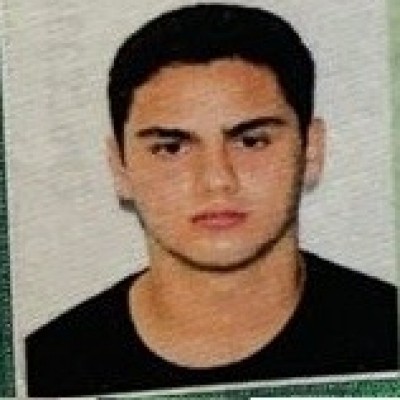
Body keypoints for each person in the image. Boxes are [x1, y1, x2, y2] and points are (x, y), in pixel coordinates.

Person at [25, 3, 397, 397]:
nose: (217, 180)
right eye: (171, 148)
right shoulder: (42, 370)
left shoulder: (387, 335)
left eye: (251, 141)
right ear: (120, 167)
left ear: (311, 150)